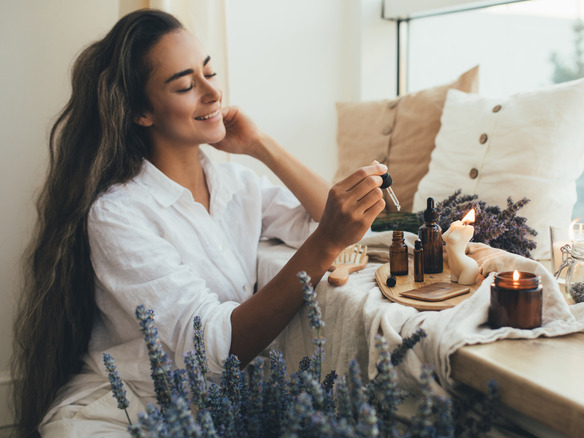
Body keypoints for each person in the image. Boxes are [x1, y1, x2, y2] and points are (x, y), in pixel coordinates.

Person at [11, 9, 386, 437]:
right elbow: (217, 346)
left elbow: (334, 219)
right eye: (187, 85)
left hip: (215, 411)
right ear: (141, 111)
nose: (212, 93)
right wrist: (323, 246)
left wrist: (262, 146)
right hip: (127, 412)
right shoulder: (117, 214)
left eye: (210, 72)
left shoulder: (236, 184)